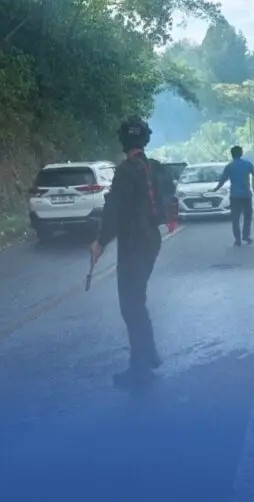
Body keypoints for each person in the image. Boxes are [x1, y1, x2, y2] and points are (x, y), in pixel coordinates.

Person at [90, 116, 163, 388]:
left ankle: (140, 366)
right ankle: (149, 354)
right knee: (137, 301)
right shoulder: (152, 167)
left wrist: (100, 241)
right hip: (151, 240)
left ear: (123, 140)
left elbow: (114, 210)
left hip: (133, 243)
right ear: (144, 139)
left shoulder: (125, 171)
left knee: (131, 305)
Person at [213, 146, 254, 246]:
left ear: (232, 154)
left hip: (235, 196)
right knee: (247, 216)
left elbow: (223, 180)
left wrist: (215, 189)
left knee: (235, 218)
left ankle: (237, 239)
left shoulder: (229, 166)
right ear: (241, 153)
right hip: (246, 195)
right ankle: (246, 235)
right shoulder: (247, 164)